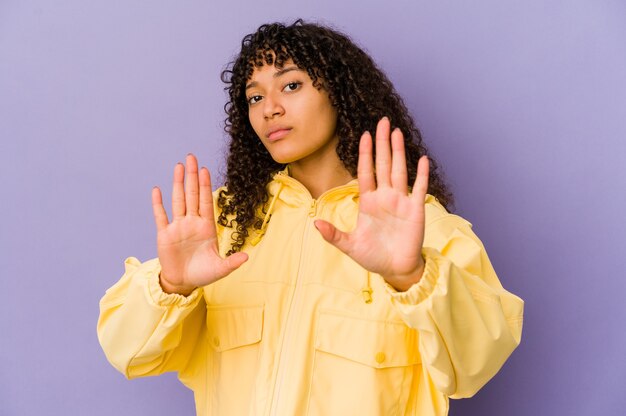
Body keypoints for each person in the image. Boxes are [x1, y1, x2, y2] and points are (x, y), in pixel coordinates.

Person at [97, 19, 524, 416]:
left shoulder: (419, 227)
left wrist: (413, 277)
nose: (269, 109)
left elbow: (478, 362)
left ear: (339, 92)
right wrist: (172, 286)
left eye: (292, 85)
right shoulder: (226, 221)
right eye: (255, 97)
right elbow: (128, 352)